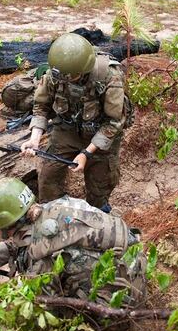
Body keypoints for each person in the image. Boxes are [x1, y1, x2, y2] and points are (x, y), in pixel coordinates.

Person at [0, 177, 147, 306]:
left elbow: (43, 303)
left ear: (3, 221)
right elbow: (15, 246)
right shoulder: (56, 207)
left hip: (119, 305)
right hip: (134, 268)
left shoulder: (42, 258)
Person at [20, 32, 127, 212]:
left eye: (72, 77)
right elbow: (41, 106)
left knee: (99, 187)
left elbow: (114, 122)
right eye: (63, 77)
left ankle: (99, 215)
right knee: (48, 178)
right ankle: (52, 215)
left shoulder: (109, 76)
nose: (66, 80)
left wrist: (86, 153)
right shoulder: (56, 73)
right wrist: (35, 138)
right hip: (66, 130)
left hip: (100, 134)